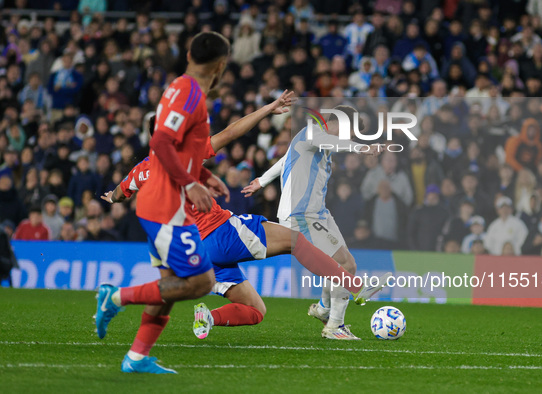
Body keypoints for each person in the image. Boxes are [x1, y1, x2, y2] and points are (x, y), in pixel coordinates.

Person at [105, 101, 386, 343]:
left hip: (198, 253)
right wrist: (266, 109)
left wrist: (112, 197)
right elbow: (230, 133)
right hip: (220, 232)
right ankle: (354, 287)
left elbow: (118, 194)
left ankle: (208, 317)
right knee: (295, 241)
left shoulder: (140, 171)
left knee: (255, 310)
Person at [95, 32, 233, 375]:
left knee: (170, 285)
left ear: (188, 54)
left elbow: (176, 147)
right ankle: (114, 297)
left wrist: (202, 174)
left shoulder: (178, 86)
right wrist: (190, 183)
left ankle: (137, 358)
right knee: (201, 281)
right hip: (167, 206)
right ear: (220, 66)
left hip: (163, 202)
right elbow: (160, 140)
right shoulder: (191, 94)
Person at [243, 105, 390, 340]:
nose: (351, 137)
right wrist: (362, 148)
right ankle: (334, 326)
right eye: (351, 132)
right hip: (300, 215)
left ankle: (324, 307)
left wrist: (261, 180)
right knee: (343, 265)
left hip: (318, 214)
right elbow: (338, 143)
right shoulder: (311, 133)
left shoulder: (314, 142)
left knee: (346, 263)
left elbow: (284, 160)